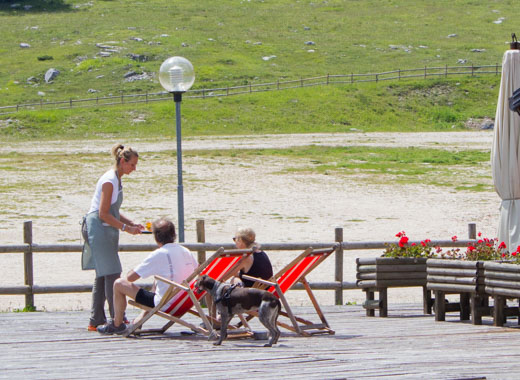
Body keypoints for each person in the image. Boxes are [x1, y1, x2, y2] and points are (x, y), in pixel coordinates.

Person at [97, 218, 198, 335]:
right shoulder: (185, 250)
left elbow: (130, 278)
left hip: (167, 304)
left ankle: (117, 324)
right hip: (186, 300)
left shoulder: (159, 254)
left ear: (156, 237)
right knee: (158, 281)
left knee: (119, 284)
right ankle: (140, 319)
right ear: (174, 234)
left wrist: (135, 268)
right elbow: (197, 270)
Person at [82, 143, 144, 332]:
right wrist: (126, 228)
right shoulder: (110, 180)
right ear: (123, 162)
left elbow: (113, 211)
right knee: (113, 272)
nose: (134, 169)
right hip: (97, 227)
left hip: (103, 228)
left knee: (102, 275)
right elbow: (103, 213)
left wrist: (132, 223)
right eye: (132, 165)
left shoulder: (117, 179)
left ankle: (96, 320)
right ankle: (116, 319)